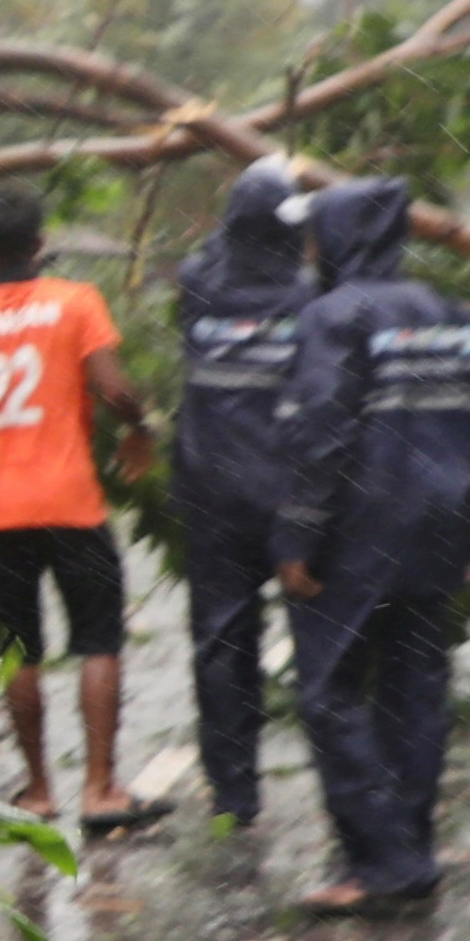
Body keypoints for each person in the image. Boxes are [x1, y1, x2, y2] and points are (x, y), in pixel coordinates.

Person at [270, 173, 470, 916]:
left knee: (331, 691)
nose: (308, 247)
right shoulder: (450, 314)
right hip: (437, 526)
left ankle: (384, 859)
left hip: (361, 529)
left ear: (341, 237)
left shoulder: (334, 317)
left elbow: (320, 434)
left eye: (316, 232)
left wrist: (298, 537)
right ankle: (405, 844)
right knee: (415, 691)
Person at [0, 183, 160, 837]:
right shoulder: (76, 302)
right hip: (70, 502)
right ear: (41, 243)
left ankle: (37, 790)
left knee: (16, 644)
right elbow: (112, 388)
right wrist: (141, 428)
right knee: (98, 637)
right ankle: (100, 788)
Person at [166, 162, 322, 834]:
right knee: (319, 643)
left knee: (223, 643)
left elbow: (202, 261)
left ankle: (234, 790)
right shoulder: (311, 299)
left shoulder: (201, 287)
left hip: (215, 490)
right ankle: (344, 783)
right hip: (293, 499)